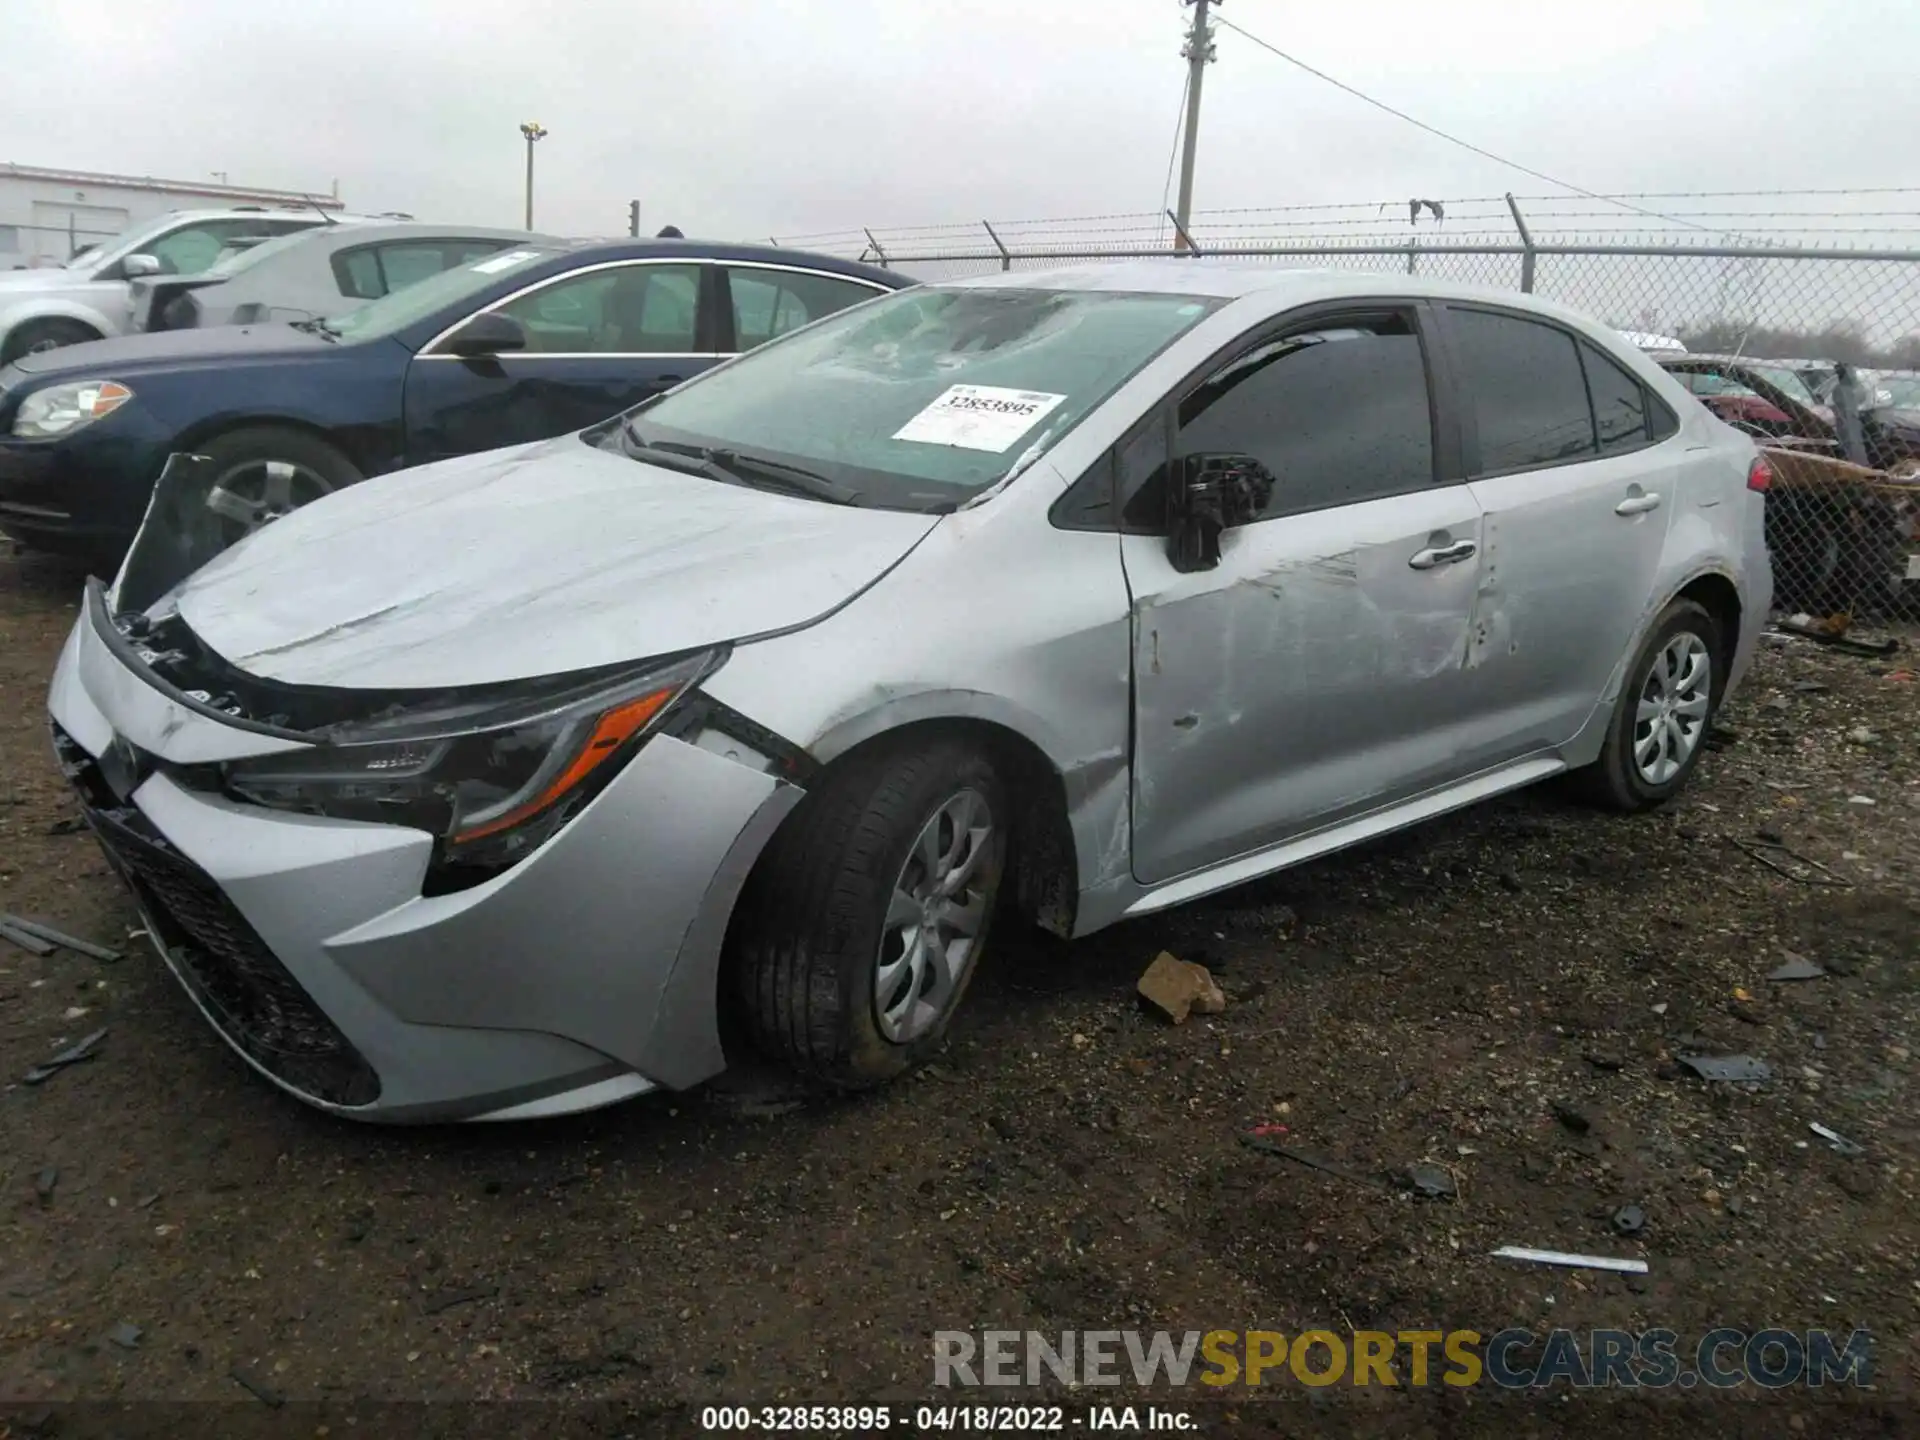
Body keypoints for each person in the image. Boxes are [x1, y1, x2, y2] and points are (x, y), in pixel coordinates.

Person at [1830, 361, 1871, 467]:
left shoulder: (1847, 390)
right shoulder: (1841, 390)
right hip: (1847, 422)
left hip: (1850, 422)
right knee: (1851, 446)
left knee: (1854, 445)